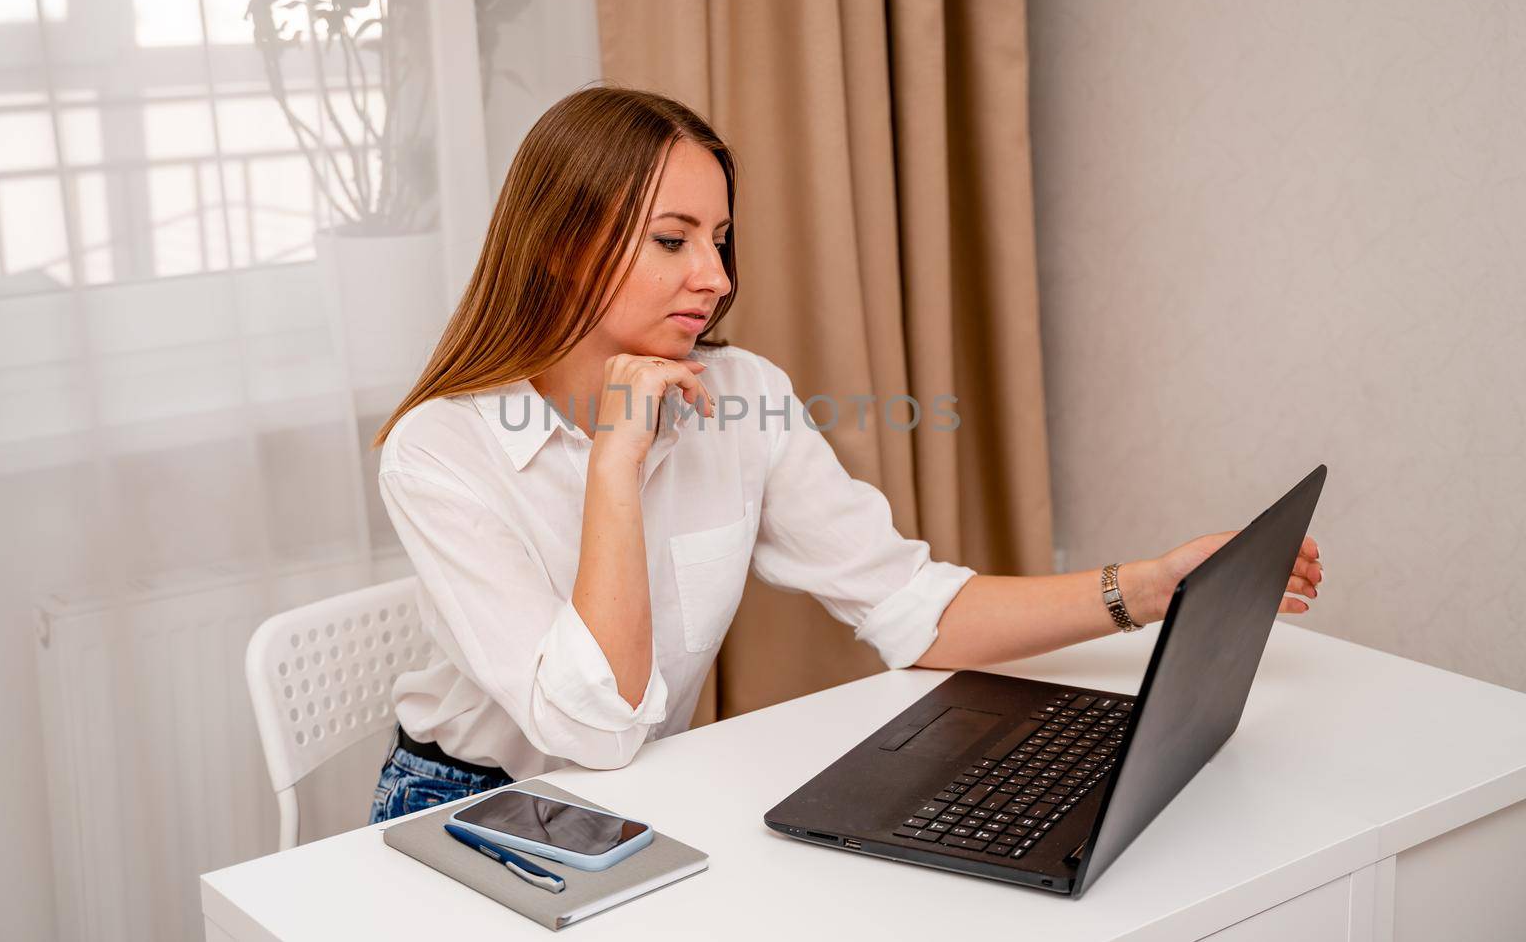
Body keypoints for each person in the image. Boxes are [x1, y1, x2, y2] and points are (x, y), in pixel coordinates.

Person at [365, 86, 1323, 824]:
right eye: (673, 239)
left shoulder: (743, 395)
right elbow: (591, 729)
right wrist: (617, 462)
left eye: (723, 239)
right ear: (561, 248)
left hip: (648, 791)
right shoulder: (439, 451)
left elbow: (914, 610)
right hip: (466, 807)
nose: (717, 277)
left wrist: (1151, 586)